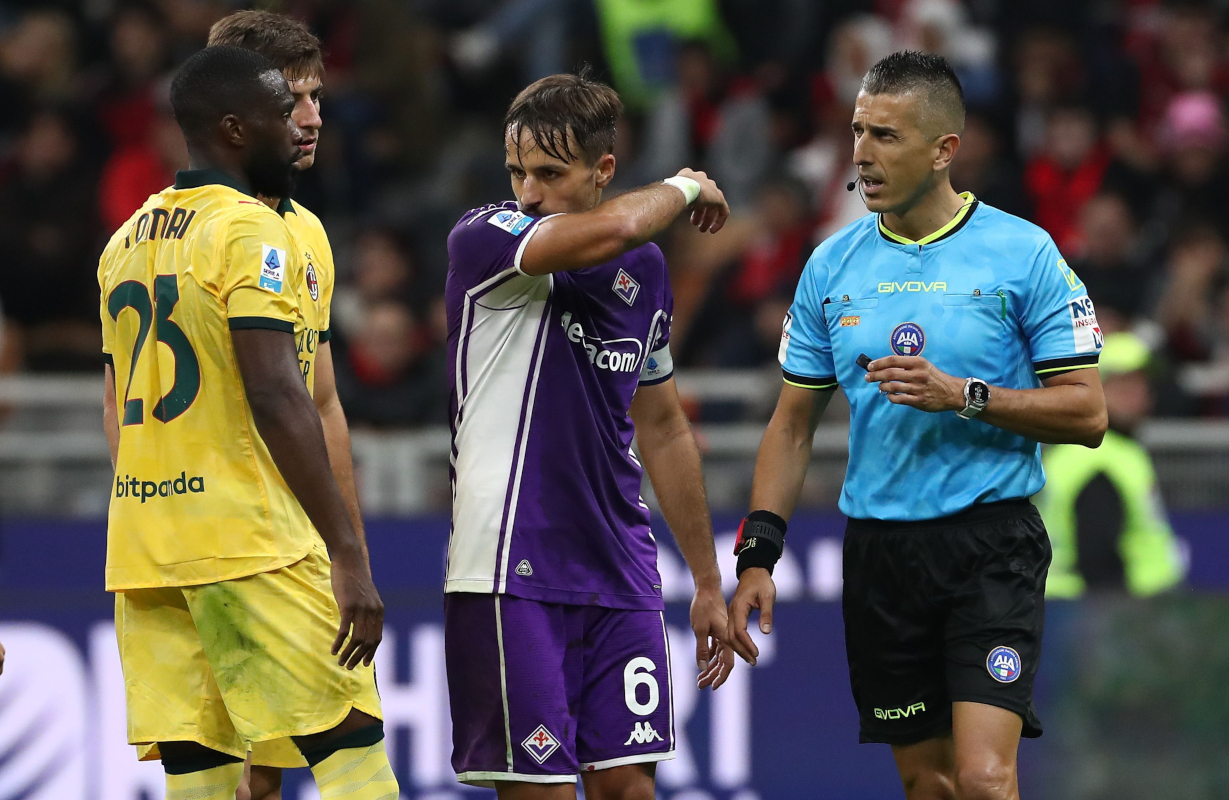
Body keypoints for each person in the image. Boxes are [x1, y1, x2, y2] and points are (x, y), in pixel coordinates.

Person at [727, 51, 1108, 800]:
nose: (862, 154)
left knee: (985, 778)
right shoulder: (829, 268)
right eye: (858, 132)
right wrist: (758, 553)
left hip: (989, 546)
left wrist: (964, 395)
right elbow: (792, 425)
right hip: (881, 557)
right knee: (928, 783)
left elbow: (1087, 412)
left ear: (943, 151)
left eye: (886, 137)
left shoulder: (1021, 252)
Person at [97, 46, 396, 799]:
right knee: (351, 749)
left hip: (147, 549)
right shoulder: (249, 231)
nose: (298, 128)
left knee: (200, 776)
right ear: (234, 129)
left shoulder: (123, 242)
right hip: (250, 538)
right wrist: (347, 552)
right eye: (278, 114)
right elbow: (275, 391)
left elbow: (114, 404)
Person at [444, 71, 733, 799]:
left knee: (630, 791)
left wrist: (704, 580)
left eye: (548, 173)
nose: (528, 192)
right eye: (517, 172)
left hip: (620, 569)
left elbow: (663, 427)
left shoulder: (645, 271)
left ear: (603, 169)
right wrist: (689, 186)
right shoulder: (485, 240)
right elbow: (614, 226)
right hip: (511, 567)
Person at [204, 12, 372, 799]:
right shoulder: (200, 235)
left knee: (258, 781)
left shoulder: (305, 231)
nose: (310, 120)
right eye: (291, 101)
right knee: (348, 755)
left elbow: (324, 401)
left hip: (294, 542)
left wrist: (349, 546)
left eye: (316, 97)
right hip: (234, 545)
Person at [1039, 332, 1186, 597]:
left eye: (1144, 384)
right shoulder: (1100, 458)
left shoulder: (1094, 450)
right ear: (1098, 389)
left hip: (1079, 611)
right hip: (1111, 614)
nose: (1141, 395)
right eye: (1126, 384)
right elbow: (1098, 557)